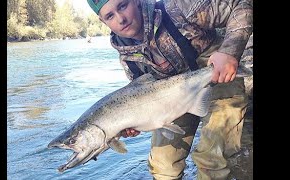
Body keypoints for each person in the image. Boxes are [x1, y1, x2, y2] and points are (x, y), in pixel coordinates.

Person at [86, 0, 253, 179]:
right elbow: (144, 100)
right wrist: (133, 125)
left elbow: (242, 5)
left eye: (123, 6)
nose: (121, 19)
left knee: (212, 159)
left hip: (219, 76)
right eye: (110, 16)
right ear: (103, 21)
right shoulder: (129, 59)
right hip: (172, 99)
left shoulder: (178, 9)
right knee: (163, 167)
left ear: (136, 2)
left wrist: (229, 52)